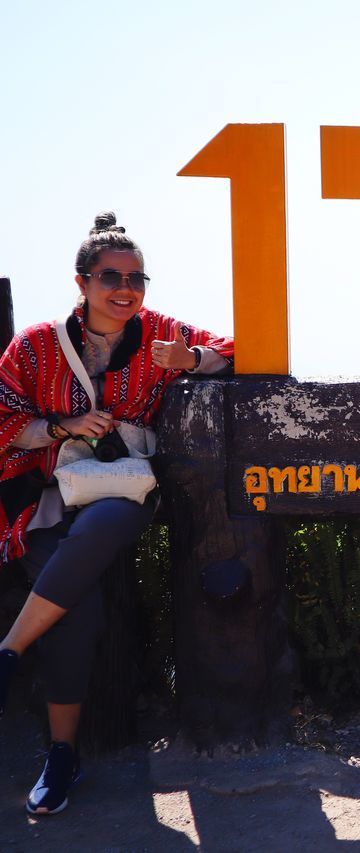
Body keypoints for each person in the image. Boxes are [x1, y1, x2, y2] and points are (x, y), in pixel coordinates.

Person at [0, 212, 233, 814]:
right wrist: (61, 425)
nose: (125, 288)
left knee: (107, 520)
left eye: (137, 277)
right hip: (47, 493)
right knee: (77, 606)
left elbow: (243, 346)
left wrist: (193, 358)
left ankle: (8, 653)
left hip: (126, 484)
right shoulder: (34, 345)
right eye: (110, 276)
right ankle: (61, 755)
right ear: (81, 282)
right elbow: (2, 421)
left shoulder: (158, 332)